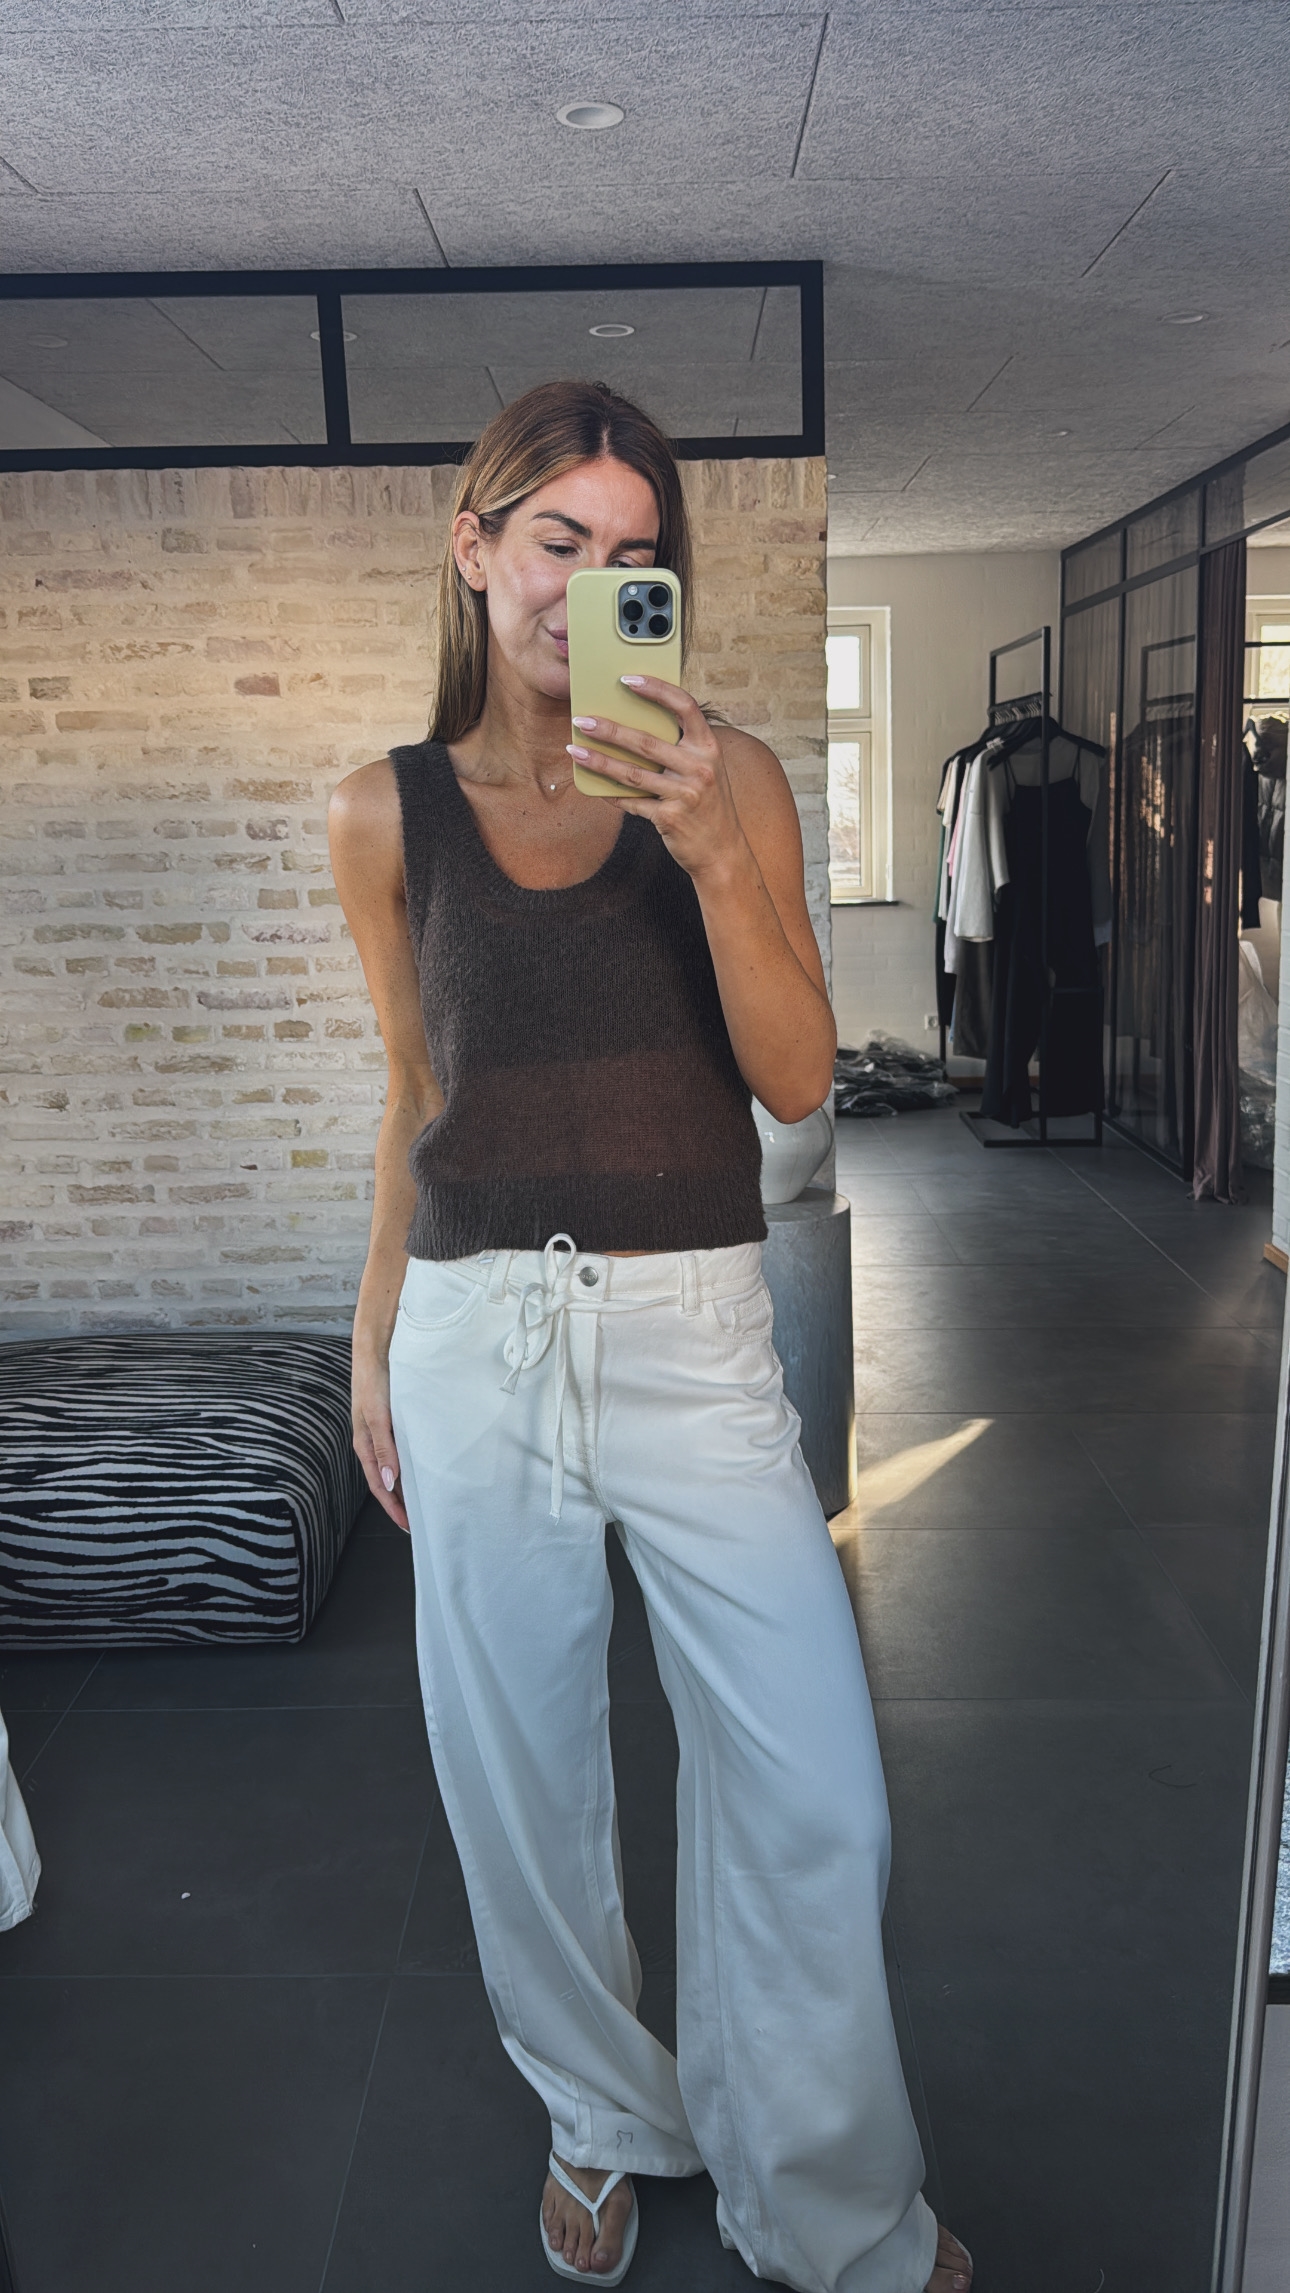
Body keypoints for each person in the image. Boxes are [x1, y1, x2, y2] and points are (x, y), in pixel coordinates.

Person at [329, 379, 973, 2293]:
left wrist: (706, 852)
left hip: (693, 1330)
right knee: (517, 1784)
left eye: (632, 555)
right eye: (558, 542)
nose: (589, 584)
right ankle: (602, 2111)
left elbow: (796, 1081)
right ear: (475, 548)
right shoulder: (381, 811)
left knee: (815, 1792)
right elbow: (412, 1094)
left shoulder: (731, 778)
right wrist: (368, 1343)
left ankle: (823, 2196)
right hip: (471, 1327)